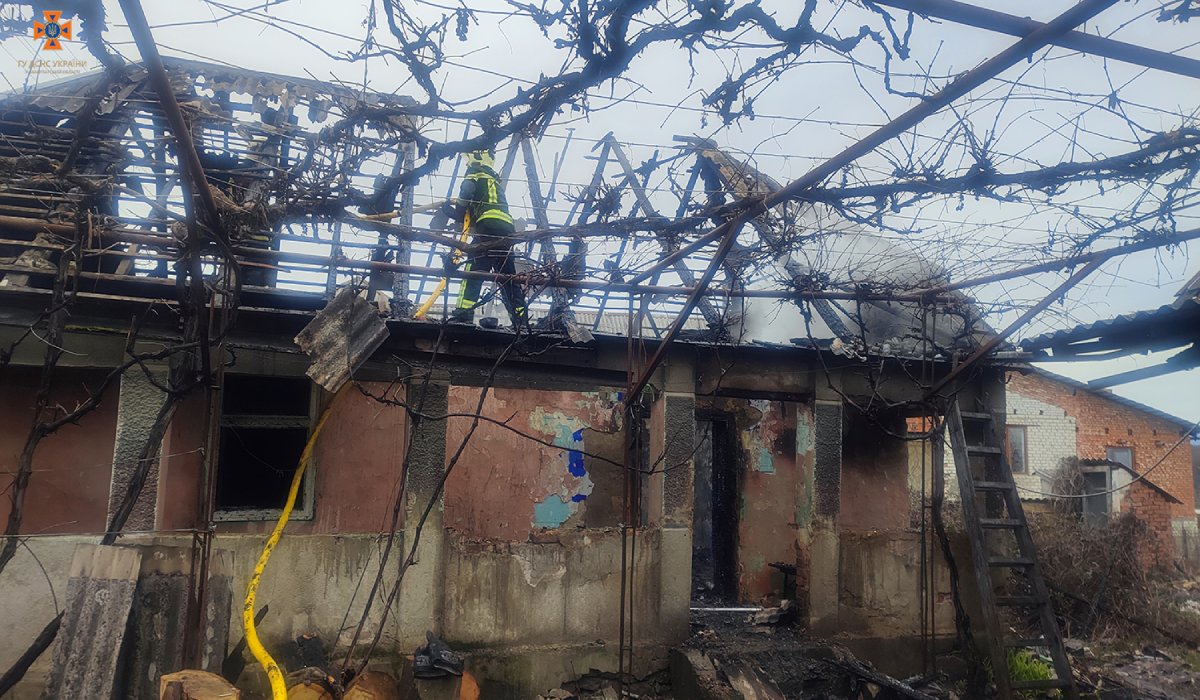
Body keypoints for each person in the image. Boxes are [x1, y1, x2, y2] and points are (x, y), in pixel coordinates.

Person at [443, 149, 529, 327]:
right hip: (507, 229)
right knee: (508, 277)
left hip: (488, 225)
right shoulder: (494, 181)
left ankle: (463, 314)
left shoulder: (476, 173)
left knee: (474, 271)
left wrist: (457, 210)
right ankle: (521, 320)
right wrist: (457, 214)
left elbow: (467, 190)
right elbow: (481, 208)